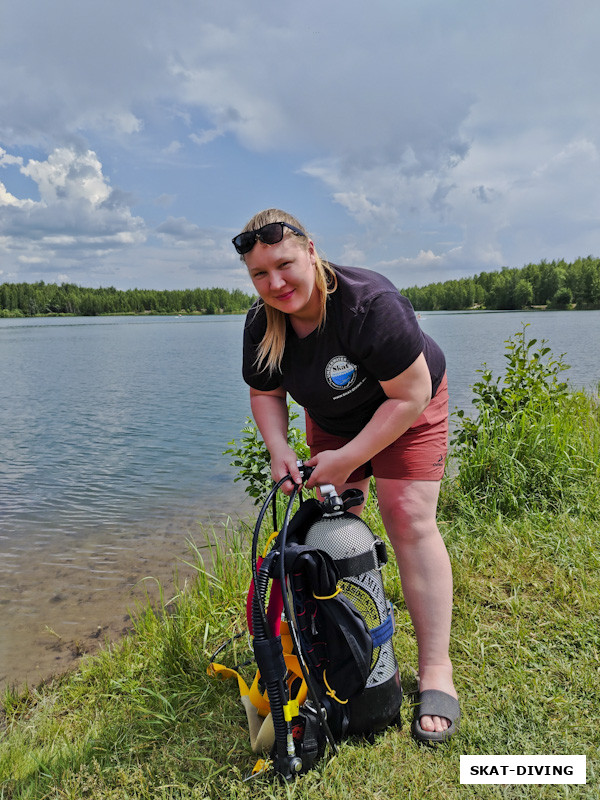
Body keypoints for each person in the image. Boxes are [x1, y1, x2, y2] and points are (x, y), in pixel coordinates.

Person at [234, 208, 460, 744]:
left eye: (285, 264)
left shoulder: (370, 304)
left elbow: (410, 395)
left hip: (410, 405)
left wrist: (348, 457)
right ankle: (341, 654)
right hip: (335, 418)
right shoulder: (262, 323)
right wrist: (279, 447)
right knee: (331, 532)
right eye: (260, 274)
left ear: (312, 250)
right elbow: (266, 392)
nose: (276, 283)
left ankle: (436, 671)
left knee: (406, 518)